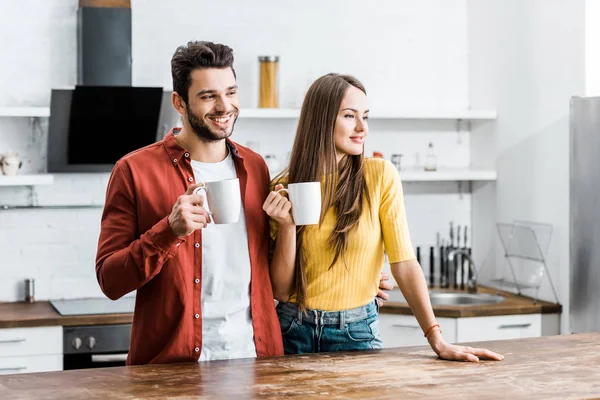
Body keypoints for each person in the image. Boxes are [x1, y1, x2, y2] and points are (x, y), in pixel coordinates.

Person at [95, 40, 392, 365]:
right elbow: (110, 280)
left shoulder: (255, 167)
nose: (225, 106)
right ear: (179, 102)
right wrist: (168, 231)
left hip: (255, 359)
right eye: (209, 96)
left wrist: (357, 277)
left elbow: (274, 262)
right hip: (173, 367)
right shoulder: (134, 171)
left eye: (231, 93)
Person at [263, 73, 505, 362]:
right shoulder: (284, 186)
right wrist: (288, 227)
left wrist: (436, 338)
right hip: (291, 331)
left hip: (355, 332)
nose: (362, 127)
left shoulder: (379, 176)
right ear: (321, 119)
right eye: (349, 116)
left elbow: (403, 263)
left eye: (365, 116)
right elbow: (280, 289)